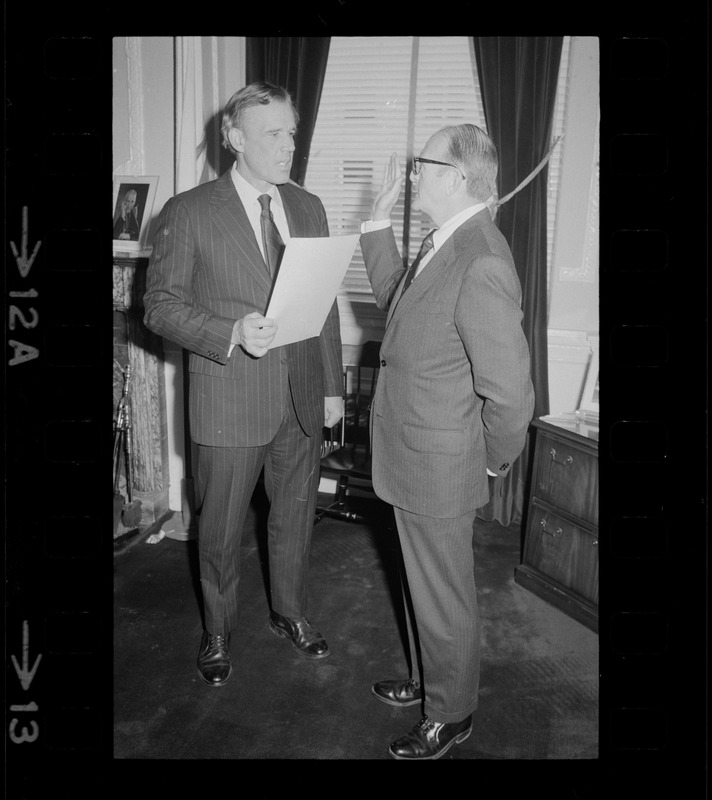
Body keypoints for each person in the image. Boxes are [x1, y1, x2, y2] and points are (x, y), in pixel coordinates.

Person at [143, 81, 344, 688]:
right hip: (229, 396)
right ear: (234, 139)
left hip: (302, 396)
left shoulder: (308, 207)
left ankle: (290, 612)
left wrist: (333, 387)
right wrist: (230, 331)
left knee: (295, 515)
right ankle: (218, 630)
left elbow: (326, 304)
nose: (288, 145)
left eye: (291, 131)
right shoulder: (188, 210)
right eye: (273, 134)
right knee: (222, 527)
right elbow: (157, 307)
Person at [360, 124, 535, 759]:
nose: (412, 173)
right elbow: (396, 305)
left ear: (456, 176)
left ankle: (452, 712)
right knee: (421, 580)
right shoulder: (444, 242)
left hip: (439, 459)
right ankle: (429, 678)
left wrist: (490, 461)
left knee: (443, 590)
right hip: (412, 450)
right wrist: (376, 224)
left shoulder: (480, 257)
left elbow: (511, 391)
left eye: (421, 164)